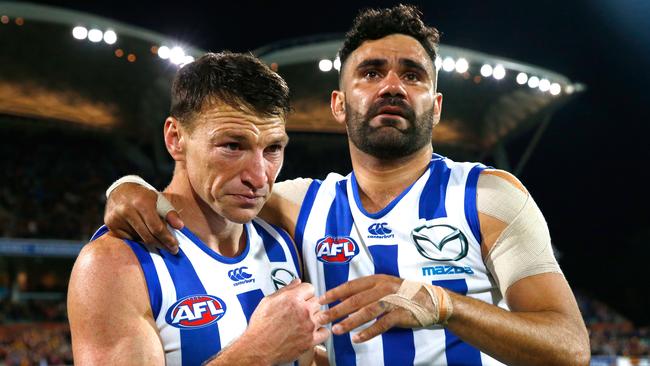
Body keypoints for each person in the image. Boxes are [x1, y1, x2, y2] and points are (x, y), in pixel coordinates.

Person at [102, 5, 590, 365]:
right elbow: (204, 186)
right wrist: (126, 186)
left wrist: (444, 306)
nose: (392, 86)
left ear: (436, 106)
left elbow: (569, 348)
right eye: (372, 72)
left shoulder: (489, 197)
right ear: (339, 104)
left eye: (413, 74)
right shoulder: (297, 203)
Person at [67, 52, 329, 366]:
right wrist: (255, 354)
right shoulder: (115, 265)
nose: (259, 177)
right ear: (175, 138)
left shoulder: (284, 238)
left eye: (273, 148)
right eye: (232, 146)